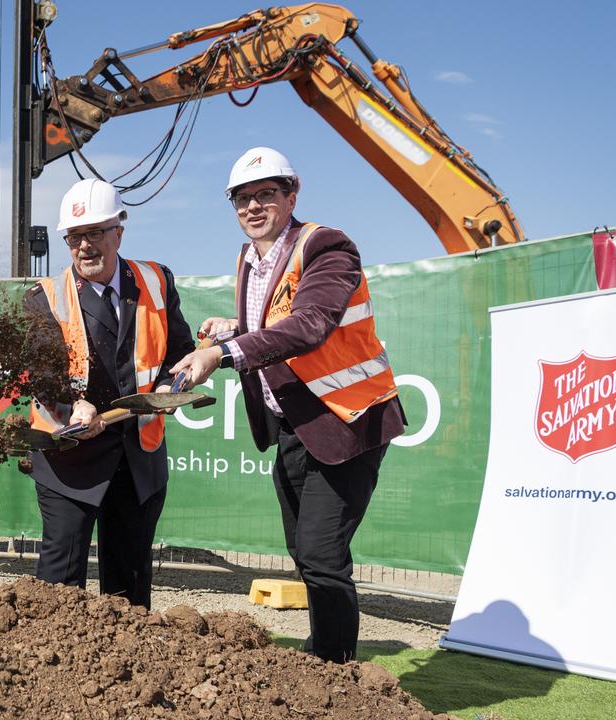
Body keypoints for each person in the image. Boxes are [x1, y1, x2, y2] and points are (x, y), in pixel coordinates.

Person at [171, 147, 406, 663]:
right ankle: (326, 651)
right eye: (242, 199)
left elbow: (310, 325)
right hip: (294, 423)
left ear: (291, 194)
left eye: (266, 194)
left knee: (322, 555)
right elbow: (277, 324)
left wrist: (223, 352)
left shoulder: (326, 246)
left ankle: (335, 667)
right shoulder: (249, 259)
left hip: (346, 420)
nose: (253, 207)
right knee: (305, 552)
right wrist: (235, 328)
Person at [23, 179, 195, 609]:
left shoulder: (156, 280)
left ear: (119, 230)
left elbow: (179, 351)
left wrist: (174, 387)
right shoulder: (42, 297)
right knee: (58, 589)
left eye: (95, 233)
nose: (84, 246)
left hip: (138, 459)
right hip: (70, 461)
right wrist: (71, 404)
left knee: (130, 588)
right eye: (74, 237)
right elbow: (42, 374)